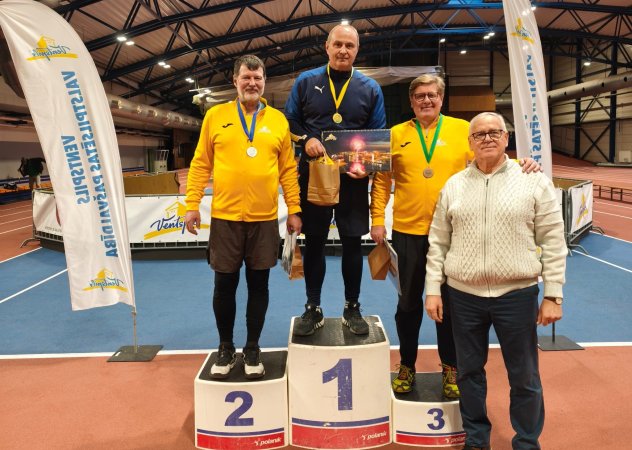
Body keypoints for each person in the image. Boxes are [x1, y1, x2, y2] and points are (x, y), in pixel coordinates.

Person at [370, 74, 540, 397]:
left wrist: (522, 163)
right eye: (419, 96)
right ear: (411, 101)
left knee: (448, 307)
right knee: (407, 305)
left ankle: (450, 367)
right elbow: (381, 181)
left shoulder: (462, 130)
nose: (426, 100)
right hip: (407, 232)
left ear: (441, 98)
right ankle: (406, 364)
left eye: (432, 95)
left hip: (453, 234)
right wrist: (377, 219)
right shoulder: (394, 134)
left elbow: (490, 157)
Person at [424, 112, 566, 450]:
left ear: (506, 138)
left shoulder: (533, 180)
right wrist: (432, 290)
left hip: (516, 295)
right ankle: (476, 440)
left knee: (524, 376)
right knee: (468, 374)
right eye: (479, 134)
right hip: (463, 296)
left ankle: (526, 442)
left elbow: (553, 239)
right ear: (470, 142)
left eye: (494, 132)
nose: (487, 138)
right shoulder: (454, 185)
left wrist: (553, 294)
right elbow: (439, 242)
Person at [185, 54, 302, 380]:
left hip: (264, 220)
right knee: (224, 285)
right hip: (225, 218)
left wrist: (294, 209)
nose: (252, 83)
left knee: (258, 285)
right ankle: (226, 346)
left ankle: (252, 348)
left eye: (257, 78)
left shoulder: (278, 120)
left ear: (264, 82)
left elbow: (287, 169)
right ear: (235, 81)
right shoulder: (215, 116)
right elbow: (200, 163)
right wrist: (191, 204)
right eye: (246, 77)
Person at [284, 24, 386, 336]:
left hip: (352, 178)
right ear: (327, 47)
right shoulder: (306, 81)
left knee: (352, 243)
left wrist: (367, 165)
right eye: (338, 44)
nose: (343, 50)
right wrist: (305, 139)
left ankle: (352, 306)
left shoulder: (370, 88)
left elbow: (377, 133)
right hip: (314, 173)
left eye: (349, 46)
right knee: (314, 241)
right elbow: (289, 120)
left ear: (357, 50)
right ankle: (312, 306)